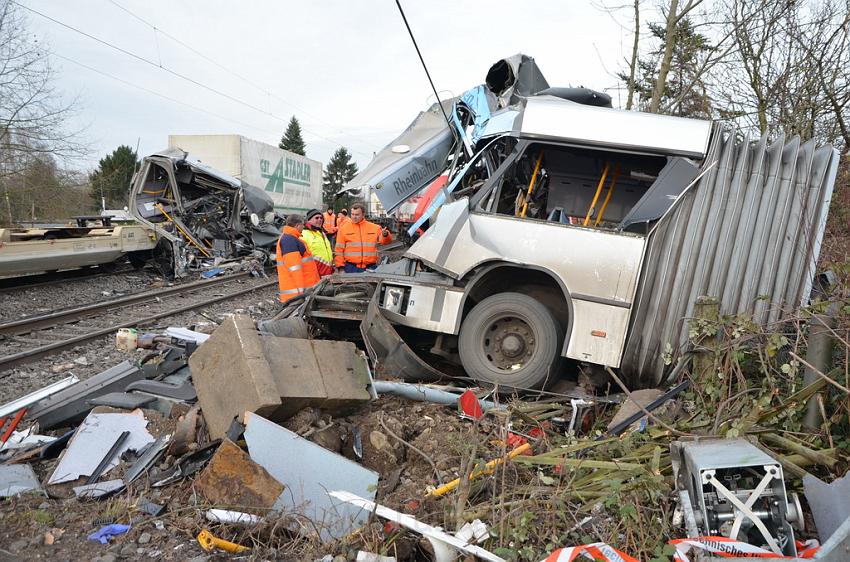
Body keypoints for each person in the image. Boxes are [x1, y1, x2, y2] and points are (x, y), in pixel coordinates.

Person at [334, 203, 393, 273]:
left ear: (363, 214)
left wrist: (385, 235)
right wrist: (340, 268)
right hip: (350, 268)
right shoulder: (343, 229)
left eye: (357, 215)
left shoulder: (374, 228)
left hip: (370, 267)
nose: (354, 217)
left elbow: (386, 242)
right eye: (352, 214)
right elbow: (339, 250)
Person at [275, 214, 320, 302]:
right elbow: (295, 269)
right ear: (297, 225)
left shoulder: (291, 239)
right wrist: (301, 294)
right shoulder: (290, 240)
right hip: (296, 295)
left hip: (298, 292)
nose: (303, 227)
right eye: (303, 225)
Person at [301, 208, 334, 277]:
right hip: (314, 275)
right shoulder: (303, 234)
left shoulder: (322, 233)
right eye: (316, 218)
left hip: (327, 273)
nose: (320, 219)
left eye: (321, 218)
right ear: (309, 220)